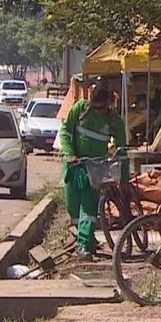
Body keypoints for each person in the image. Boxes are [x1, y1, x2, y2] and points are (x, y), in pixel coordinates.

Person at [60, 85, 127, 260]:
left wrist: (124, 178)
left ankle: (83, 247)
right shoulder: (80, 109)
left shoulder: (114, 121)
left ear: (108, 104)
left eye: (101, 108)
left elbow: (122, 151)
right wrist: (69, 154)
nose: (97, 111)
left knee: (88, 209)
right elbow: (65, 132)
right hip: (74, 166)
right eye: (94, 106)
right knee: (73, 207)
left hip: (95, 168)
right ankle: (87, 239)